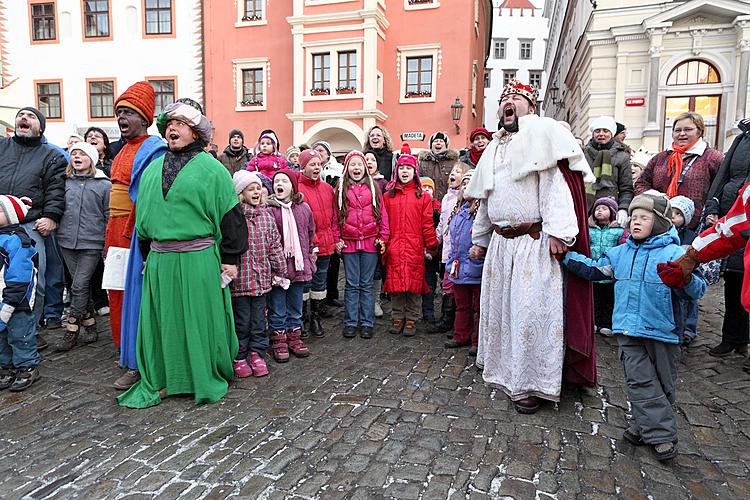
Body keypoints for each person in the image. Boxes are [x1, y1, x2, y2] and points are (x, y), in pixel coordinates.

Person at [465, 79, 596, 414]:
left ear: (531, 107)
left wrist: (559, 233)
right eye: (504, 99)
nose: (508, 102)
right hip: (500, 245)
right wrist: (480, 239)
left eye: (517, 98)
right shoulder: (494, 147)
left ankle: (533, 383)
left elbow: (555, 187)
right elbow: (486, 196)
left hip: (533, 245)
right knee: (504, 313)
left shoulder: (542, 134)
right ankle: (504, 370)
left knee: (528, 315)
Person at [116, 99, 248, 409]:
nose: (173, 128)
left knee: (198, 319)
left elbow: (232, 218)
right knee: (166, 321)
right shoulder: (152, 169)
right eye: (170, 124)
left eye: (182, 124)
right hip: (161, 260)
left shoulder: (212, 169)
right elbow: (144, 220)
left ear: (196, 132)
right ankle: (166, 378)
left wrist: (230, 260)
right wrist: (148, 257)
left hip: (198, 259)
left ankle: (199, 375)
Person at [564, 194, 706, 461]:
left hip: (664, 331)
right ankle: (662, 436)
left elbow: (698, 290)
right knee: (640, 380)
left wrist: (683, 280)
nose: (636, 222)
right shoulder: (620, 253)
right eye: (634, 217)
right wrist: (567, 257)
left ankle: (642, 427)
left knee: (663, 385)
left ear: (661, 222)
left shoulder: (677, 254)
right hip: (628, 329)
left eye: (645, 217)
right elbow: (596, 270)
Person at [106, 82, 167, 390]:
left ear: (145, 118)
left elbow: (147, 196)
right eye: (119, 112)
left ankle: (138, 360)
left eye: (128, 112)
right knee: (116, 292)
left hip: (133, 231)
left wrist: (134, 230)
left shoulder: (152, 149)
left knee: (136, 295)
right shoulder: (120, 150)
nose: (122, 118)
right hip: (114, 231)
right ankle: (123, 350)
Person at [0, 107, 67, 352]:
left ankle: (29, 332)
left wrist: (51, 216)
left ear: (40, 127)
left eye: (31, 116)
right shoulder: (1, 146)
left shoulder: (52, 156)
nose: (23, 118)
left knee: (33, 282)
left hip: (30, 225)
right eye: (21, 115)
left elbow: (56, 191)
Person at [55, 142, 111, 351]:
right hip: (66, 241)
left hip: (91, 243)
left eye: (82, 154)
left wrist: (106, 244)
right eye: (74, 153)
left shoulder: (104, 185)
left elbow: (108, 216)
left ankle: (71, 329)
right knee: (79, 286)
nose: (77, 156)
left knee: (78, 286)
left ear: (92, 159)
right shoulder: (63, 182)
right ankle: (89, 324)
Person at [701, 123, 750, 359]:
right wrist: (713, 204)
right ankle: (733, 338)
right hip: (734, 213)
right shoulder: (743, 138)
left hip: (744, 212)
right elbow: (723, 175)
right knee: (734, 277)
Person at [230, 170, 286, 378]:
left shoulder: (266, 217)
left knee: (259, 321)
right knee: (241, 322)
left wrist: (279, 268)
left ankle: (257, 352)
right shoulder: (235, 217)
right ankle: (240, 355)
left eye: (257, 188)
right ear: (241, 193)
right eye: (250, 189)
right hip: (241, 282)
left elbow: (274, 245)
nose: (255, 192)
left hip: (261, 280)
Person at [383, 145, 439, 337]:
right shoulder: (388, 196)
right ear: (396, 171)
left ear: (414, 172)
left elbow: (427, 224)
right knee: (396, 284)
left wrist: (431, 245)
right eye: (401, 168)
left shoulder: (422, 197)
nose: (404, 171)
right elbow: (384, 223)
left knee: (414, 285)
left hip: (415, 247)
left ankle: (412, 318)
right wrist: (385, 244)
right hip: (395, 246)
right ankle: (398, 316)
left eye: (408, 168)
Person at [332, 151, 389, 339]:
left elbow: (382, 214)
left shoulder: (373, 188)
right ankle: (350, 322)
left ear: (365, 167)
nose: (356, 168)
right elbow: (335, 216)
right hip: (348, 243)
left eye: (359, 164)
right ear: (347, 168)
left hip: (370, 242)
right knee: (351, 284)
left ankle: (367, 322)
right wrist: (336, 238)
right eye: (352, 165)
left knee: (366, 284)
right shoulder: (341, 189)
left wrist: (383, 236)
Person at [635, 112, 723, 230]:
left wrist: (712, 212)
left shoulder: (713, 157)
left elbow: (722, 190)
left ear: (699, 131)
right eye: (677, 130)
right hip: (659, 224)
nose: (682, 134)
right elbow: (641, 184)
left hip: (695, 228)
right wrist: (657, 197)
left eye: (687, 129)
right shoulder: (660, 158)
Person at [266, 170, 316, 362]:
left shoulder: (303, 208)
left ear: (293, 186)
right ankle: (279, 339)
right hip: (279, 269)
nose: (279, 184)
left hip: (298, 265)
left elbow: (310, 232)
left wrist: (309, 254)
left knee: (295, 304)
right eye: (276, 181)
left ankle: (294, 336)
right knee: (278, 305)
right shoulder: (270, 210)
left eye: (284, 181)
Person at [0, 195, 40, 392]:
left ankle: (27, 366)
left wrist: (11, 300)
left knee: (20, 334)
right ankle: (6, 366)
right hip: (0, 299)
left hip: (17, 300)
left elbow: (20, 274)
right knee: (1, 336)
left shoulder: (18, 241)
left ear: (11, 215)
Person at [297, 149, 336, 336]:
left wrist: (335, 239)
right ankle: (303, 317)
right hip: (307, 246)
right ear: (303, 167)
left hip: (326, 243)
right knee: (305, 283)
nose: (317, 168)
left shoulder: (328, 189)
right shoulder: (297, 189)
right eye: (312, 164)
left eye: (319, 164)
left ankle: (315, 317)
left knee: (320, 282)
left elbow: (334, 217)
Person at [444, 171, 484, 352]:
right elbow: (454, 241)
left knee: (478, 307)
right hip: (459, 268)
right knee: (462, 305)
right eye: (464, 184)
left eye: (471, 184)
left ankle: (477, 341)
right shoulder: (458, 213)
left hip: (476, 268)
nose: (467, 187)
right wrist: (451, 263)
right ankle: (461, 335)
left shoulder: (481, 214)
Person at [435, 163, 472, 335]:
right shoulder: (446, 199)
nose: (453, 174)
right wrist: (435, 240)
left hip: (460, 252)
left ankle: (453, 321)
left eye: (458, 172)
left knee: (455, 285)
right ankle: (446, 318)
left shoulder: (466, 201)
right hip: (447, 252)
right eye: (452, 171)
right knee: (446, 284)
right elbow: (443, 223)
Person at [83, 126, 114, 315]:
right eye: (89, 136)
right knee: (91, 264)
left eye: (97, 136)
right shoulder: (78, 169)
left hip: (104, 217)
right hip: (87, 221)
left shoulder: (111, 165)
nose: (93, 138)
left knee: (106, 261)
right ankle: (93, 301)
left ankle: (105, 299)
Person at [584, 116, 634, 224]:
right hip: (584, 209)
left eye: (605, 131)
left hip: (610, 211)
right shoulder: (583, 154)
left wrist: (623, 209)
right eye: (597, 131)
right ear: (593, 134)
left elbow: (626, 188)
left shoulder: (622, 157)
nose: (601, 134)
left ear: (611, 134)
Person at [312, 141, 345, 307]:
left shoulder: (336, 170)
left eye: (321, 151)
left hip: (329, 227)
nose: (318, 153)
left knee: (331, 266)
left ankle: (330, 295)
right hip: (314, 231)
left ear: (328, 154)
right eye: (315, 150)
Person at [588, 196, 625, 337]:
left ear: (612, 212)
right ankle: (594, 322)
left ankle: (607, 324)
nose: (599, 211)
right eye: (597, 208)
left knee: (609, 299)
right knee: (594, 299)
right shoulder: (589, 229)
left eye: (604, 209)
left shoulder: (618, 231)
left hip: (610, 271)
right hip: (593, 269)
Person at [669, 195, 699, 346]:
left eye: (678, 214)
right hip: (671, 273)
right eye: (671, 212)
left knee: (691, 301)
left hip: (688, 273)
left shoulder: (691, 236)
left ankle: (690, 328)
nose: (673, 217)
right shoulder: (663, 233)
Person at [364, 149, 388, 317]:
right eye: (366, 159)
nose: (369, 162)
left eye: (372, 159)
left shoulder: (383, 183)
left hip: (377, 233)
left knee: (376, 271)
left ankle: (375, 301)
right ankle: (363, 301)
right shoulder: (352, 183)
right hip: (360, 233)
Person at [420, 176, 442, 329]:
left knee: (430, 283)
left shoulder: (438, 207)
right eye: (423, 187)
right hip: (417, 250)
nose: (426, 190)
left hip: (432, 252)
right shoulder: (417, 205)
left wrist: (432, 249)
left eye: (429, 188)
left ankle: (429, 313)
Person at [418, 132, 460, 203]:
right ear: (431, 145)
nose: (438, 143)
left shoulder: (453, 162)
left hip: (447, 201)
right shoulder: (423, 162)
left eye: (441, 141)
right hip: (427, 201)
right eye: (435, 141)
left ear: (446, 146)